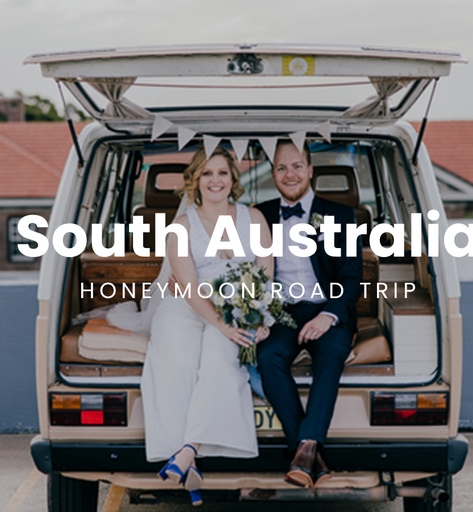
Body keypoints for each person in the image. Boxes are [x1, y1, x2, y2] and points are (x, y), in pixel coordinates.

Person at [140, 146, 274, 506]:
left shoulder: (254, 218)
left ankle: (186, 453)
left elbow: (264, 273)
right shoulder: (182, 226)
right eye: (207, 174)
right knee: (177, 360)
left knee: (220, 362)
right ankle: (189, 458)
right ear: (195, 182)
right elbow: (185, 284)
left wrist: (255, 317)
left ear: (233, 180)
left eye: (222, 173)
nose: (215, 180)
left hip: (237, 307)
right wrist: (221, 324)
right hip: (186, 305)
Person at [256, 141, 364, 488]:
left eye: (297, 166)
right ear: (273, 174)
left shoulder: (341, 215)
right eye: (281, 168)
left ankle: (302, 449)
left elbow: (351, 278)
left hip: (327, 310)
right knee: (267, 356)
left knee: (332, 353)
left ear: (311, 170)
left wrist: (327, 316)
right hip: (281, 313)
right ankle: (309, 451)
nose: (290, 174)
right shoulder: (259, 215)